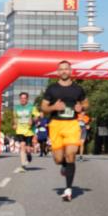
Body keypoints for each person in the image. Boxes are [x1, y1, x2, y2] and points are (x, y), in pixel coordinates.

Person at [41, 60, 88, 202]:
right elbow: (43, 107)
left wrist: (82, 108)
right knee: (58, 159)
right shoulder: (52, 89)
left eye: (66, 69)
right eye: (61, 69)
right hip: (55, 124)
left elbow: (86, 102)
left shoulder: (78, 89)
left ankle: (68, 189)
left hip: (72, 124)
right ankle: (63, 166)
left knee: (71, 155)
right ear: (57, 72)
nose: (64, 71)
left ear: (71, 71)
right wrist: (53, 108)